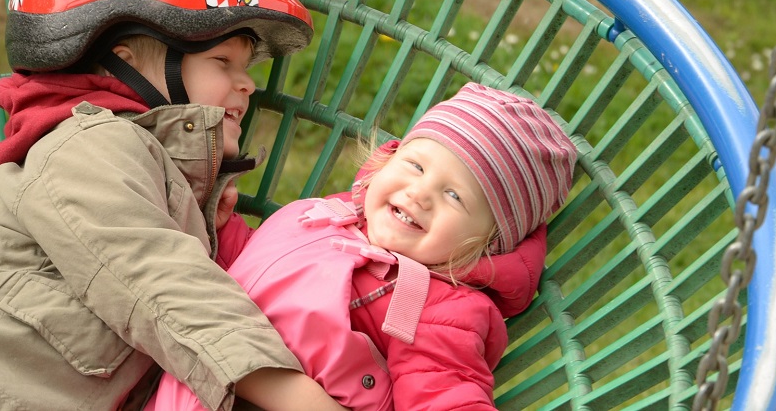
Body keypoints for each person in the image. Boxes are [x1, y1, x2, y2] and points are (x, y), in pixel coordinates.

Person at [0, 0, 344, 411]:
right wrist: (294, 396)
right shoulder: (88, 143)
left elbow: (272, 273)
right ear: (125, 64)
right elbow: (157, 274)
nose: (247, 83)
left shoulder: (195, 202)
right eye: (223, 61)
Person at [149, 82, 579, 410]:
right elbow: (254, 269)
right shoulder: (329, 217)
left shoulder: (440, 308)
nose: (419, 193)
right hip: (189, 378)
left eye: (455, 196)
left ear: (487, 243)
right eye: (415, 165)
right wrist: (220, 227)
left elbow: (442, 390)